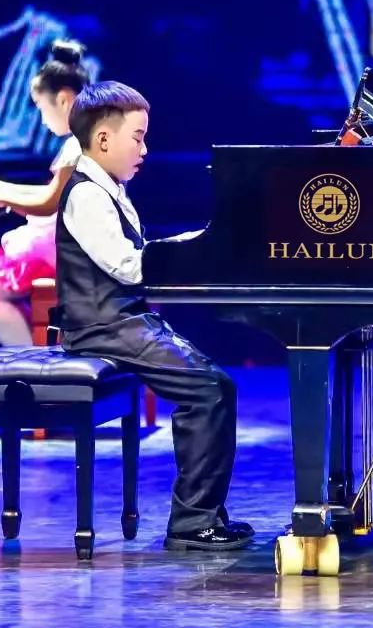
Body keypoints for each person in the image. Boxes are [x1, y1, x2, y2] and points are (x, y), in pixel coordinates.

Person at [57, 80, 252, 551]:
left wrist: (194, 244)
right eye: (138, 137)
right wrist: (188, 252)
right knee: (209, 390)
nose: (144, 149)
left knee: (215, 386)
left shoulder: (108, 188)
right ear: (104, 139)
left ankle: (204, 513)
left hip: (122, 320)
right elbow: (127, 266)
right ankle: (191, 522)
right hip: (101, 326)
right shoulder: (86, 194)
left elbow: (137, 254)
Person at [0, 39, 90, 345]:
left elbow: (50, 203)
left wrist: (3, 195)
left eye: (41, 108)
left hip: (76, 254)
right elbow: (55, 193)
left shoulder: (77, 146)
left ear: (63, 100)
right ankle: (35, 353)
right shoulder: (89, 139)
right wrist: (4, 190)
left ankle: (30, 364)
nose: (42, 120)